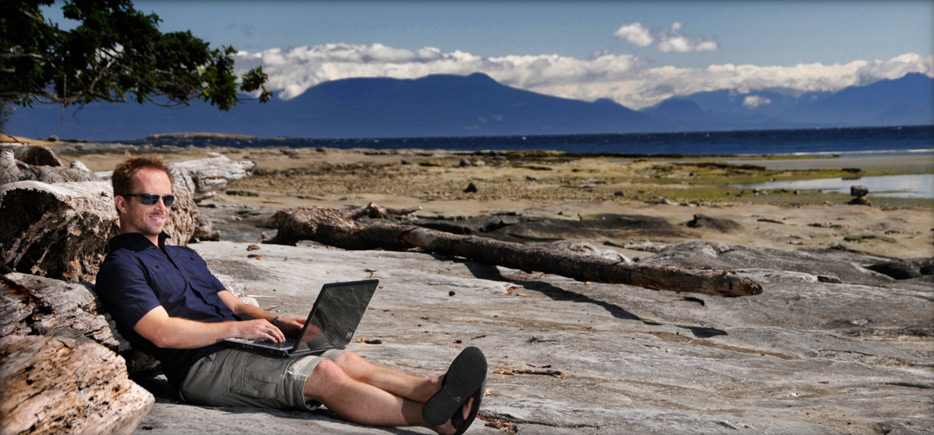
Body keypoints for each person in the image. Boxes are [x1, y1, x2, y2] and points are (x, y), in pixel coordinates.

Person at [94, 155, 487, 434]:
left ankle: (432, 389)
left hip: (239, 344)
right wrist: (241, 330)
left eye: (167, 199)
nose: (161, 208)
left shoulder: (183, 253)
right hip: (201, 367)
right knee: (323, 374)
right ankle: (438, 419)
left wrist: (274, 320)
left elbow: (232, 303)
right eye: (150, 199)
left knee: (342, 356)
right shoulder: (122, 267)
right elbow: (161, 332)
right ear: (122, 203)